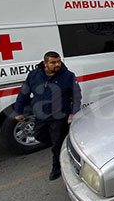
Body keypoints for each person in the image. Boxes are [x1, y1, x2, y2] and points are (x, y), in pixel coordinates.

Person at [13, 52, 82, 181]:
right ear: (45, 64)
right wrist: (18, 111)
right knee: (39, 136)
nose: (57, 65)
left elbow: (76, 94)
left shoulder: (68, 76)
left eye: (59, 62)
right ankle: (62, 143)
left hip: (59, 116)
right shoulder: (34, 76)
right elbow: (23, 93)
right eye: (53, 62)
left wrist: (74, 111)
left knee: (56, 145)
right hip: (41, 115)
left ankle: (57, 168)